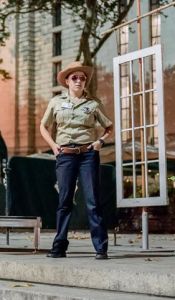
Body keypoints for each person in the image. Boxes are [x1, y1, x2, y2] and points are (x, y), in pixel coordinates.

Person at [40, 61, 113, 259]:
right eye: (75, 78)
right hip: (65, 155)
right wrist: (54, 146)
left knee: (92, 201)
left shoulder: (93, 104)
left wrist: (100, 142)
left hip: (88, 154)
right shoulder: (56, 102)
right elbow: (43, 126)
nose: (79, 81)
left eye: (82, 78)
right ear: (67, 81)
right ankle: (59, 247)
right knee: (64, 201)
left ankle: (101, 248)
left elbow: (109, 127)